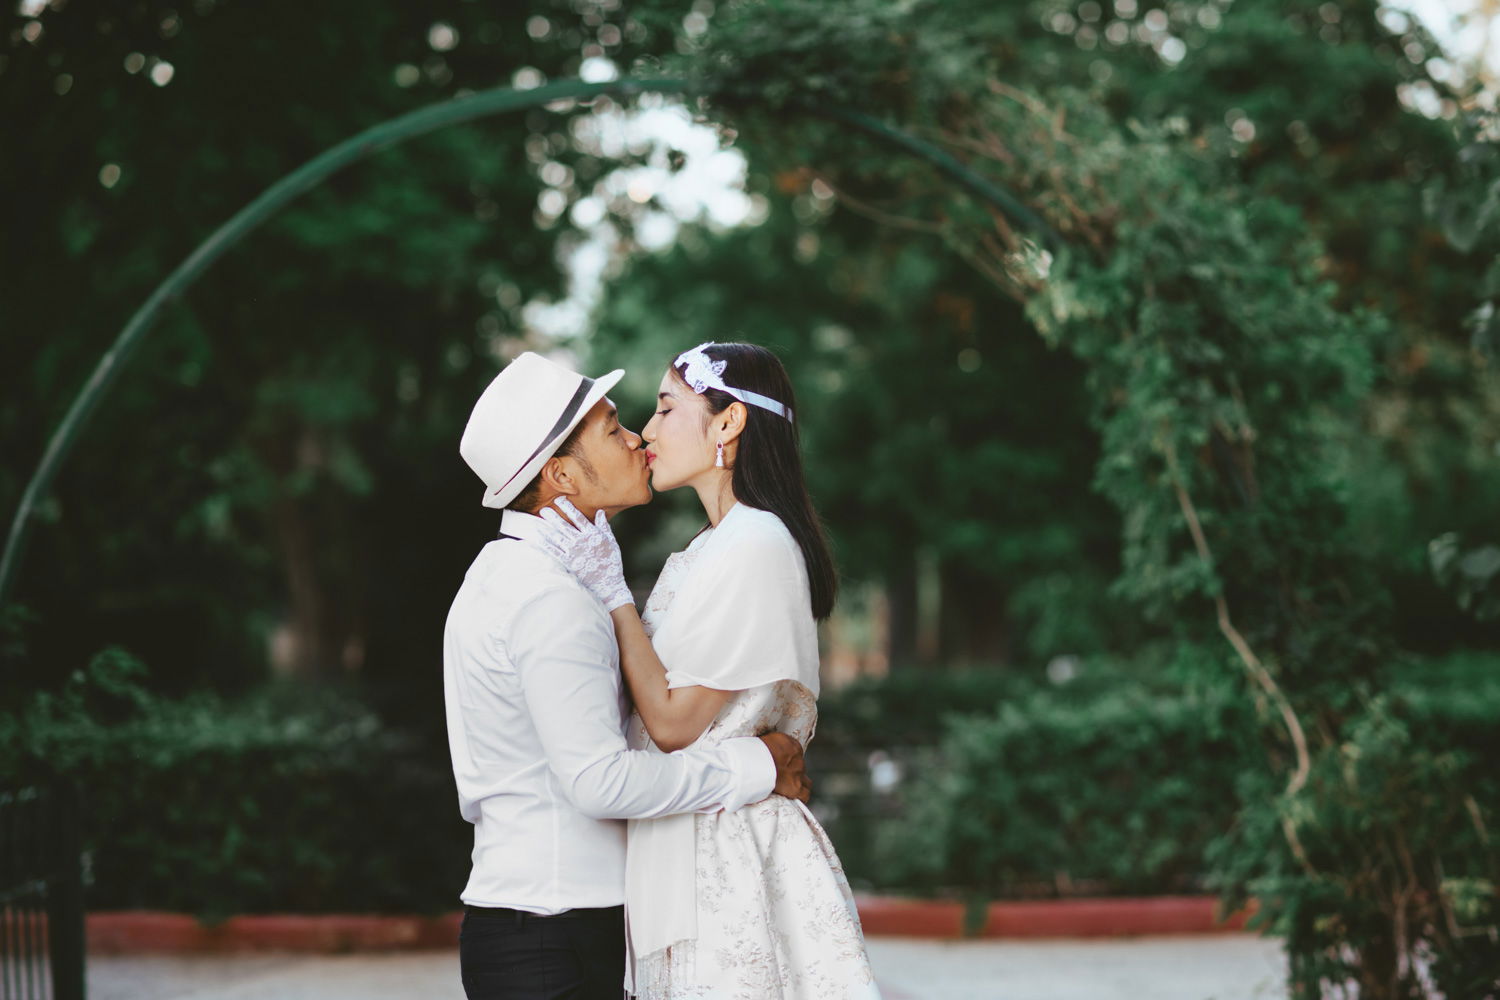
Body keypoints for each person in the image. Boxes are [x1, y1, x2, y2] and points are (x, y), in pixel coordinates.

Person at [443, 351, 812, 1000]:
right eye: (613, 431)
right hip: (550, 931)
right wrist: (755, 768)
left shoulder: (530, 577)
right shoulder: (545, 595)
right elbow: (599, 781)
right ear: (562, 475)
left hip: (553, 921)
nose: (637, 436)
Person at [545, 342, 882, 999]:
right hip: (692, 830)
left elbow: (671, 724)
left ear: (728, 424)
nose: (646, 430)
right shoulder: (712, 546)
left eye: (667, 408)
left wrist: (612, 591)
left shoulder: (756, 544)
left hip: (728, 849)